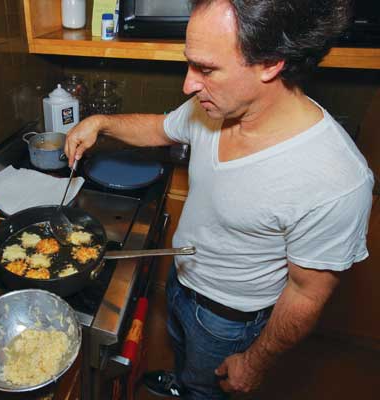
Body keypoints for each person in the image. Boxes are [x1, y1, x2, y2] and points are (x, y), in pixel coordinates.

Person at [64, 0, 373, 399]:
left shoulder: (335, 178)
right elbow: (161, 128)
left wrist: (254, 362)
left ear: (270, 63)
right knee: (185, 361)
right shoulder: (214, 105)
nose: (188, 84)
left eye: (206, 69)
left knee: (208, 389)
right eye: (191, 64)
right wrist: (101, 123)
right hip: (181, 280)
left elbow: (307, 293)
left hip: (228, 320)